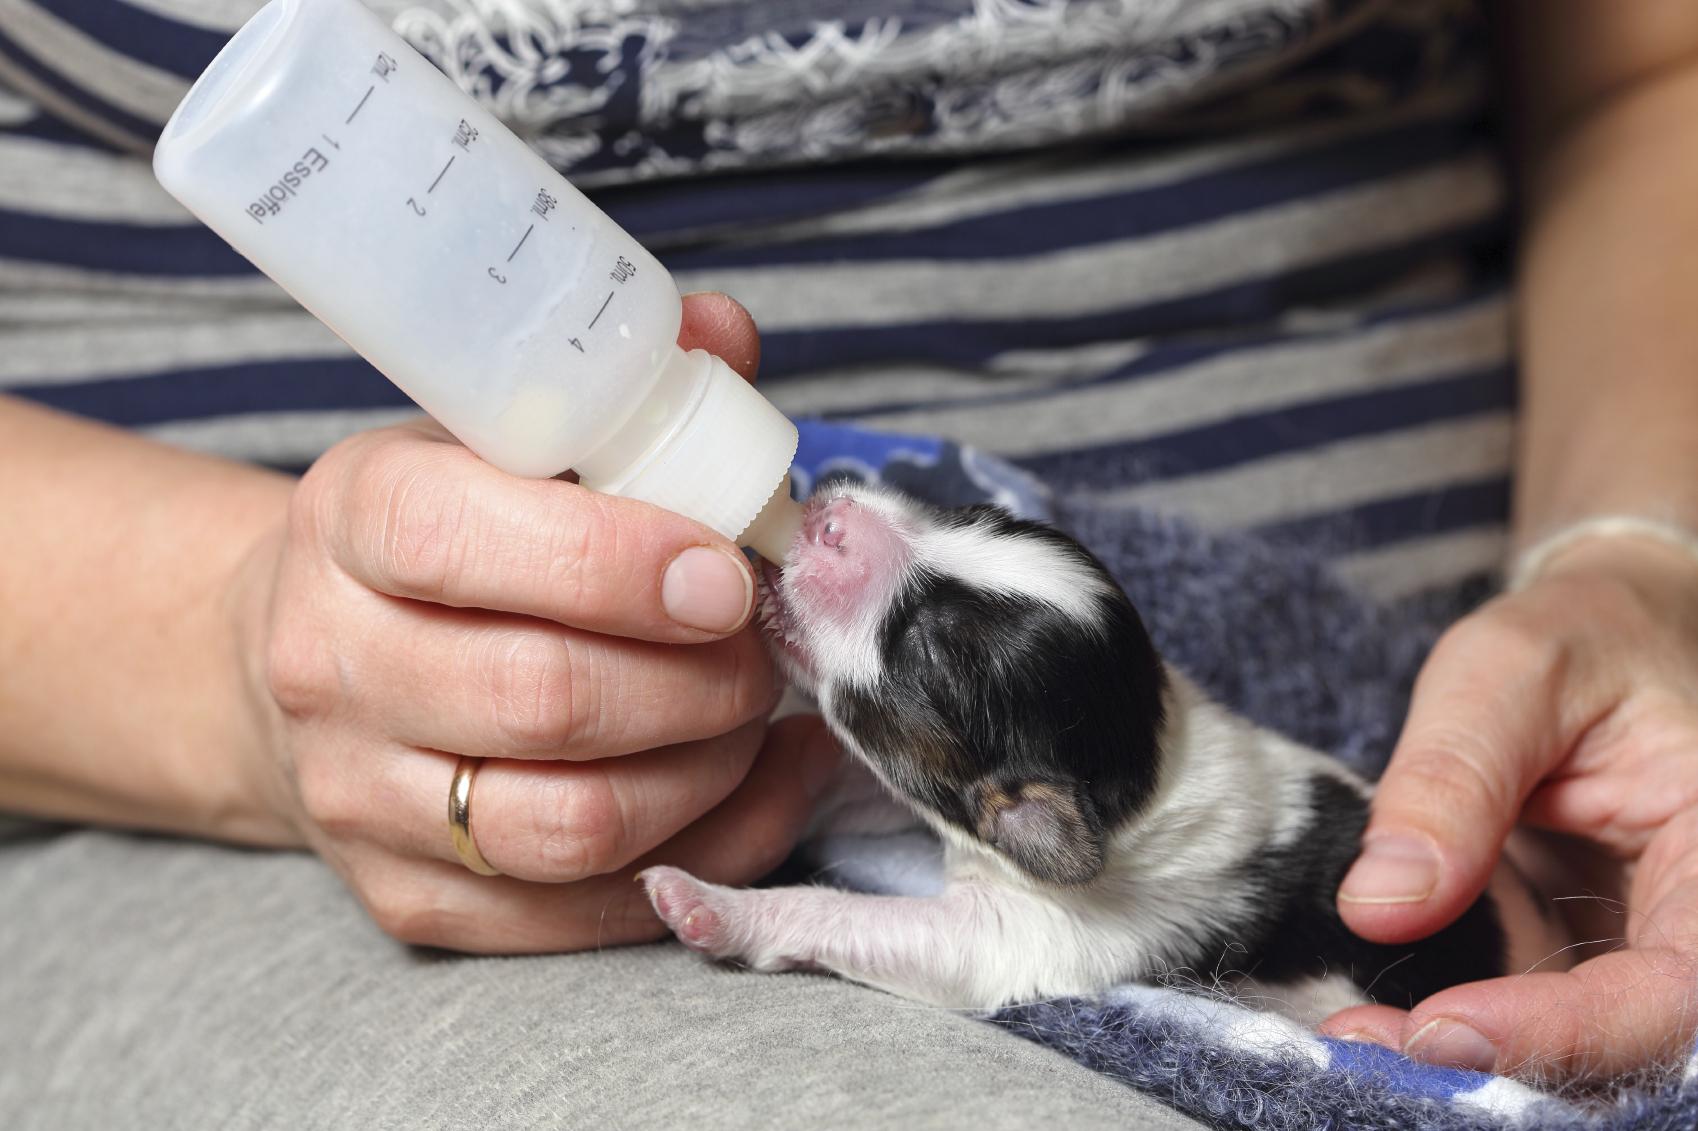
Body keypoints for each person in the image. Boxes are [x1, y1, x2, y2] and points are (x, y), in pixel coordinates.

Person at [1, 0, 1696, 1123]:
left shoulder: (1069, 859)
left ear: (1017, 818)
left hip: (1491, 730)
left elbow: (1651, 64)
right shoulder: (1028, 781)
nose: (842, 529)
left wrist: (1641, 560)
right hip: (169, 773)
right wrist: (228, 659)